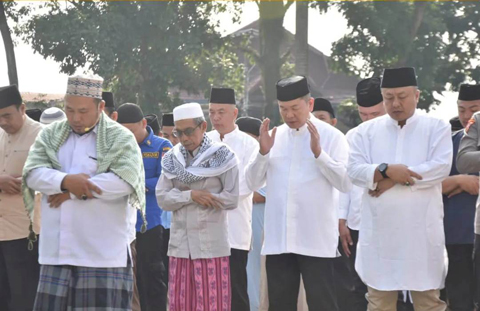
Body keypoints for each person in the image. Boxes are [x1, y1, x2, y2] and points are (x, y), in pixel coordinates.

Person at [23, 74, 146, 311]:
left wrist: (74, 191)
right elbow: (32, 174)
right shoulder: (49, 135)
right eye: (69, 110)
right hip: (57, 253)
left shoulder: (121, 138)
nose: (75, 118)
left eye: (83, 111)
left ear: (100, 107)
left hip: (102, 254)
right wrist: (65, 181)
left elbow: (125, 181)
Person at [348, 67, 452, 311]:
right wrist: (385, 169)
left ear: (416, 95)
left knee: (429, 303)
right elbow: (353, 170)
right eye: (389, 97)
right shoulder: (364, 132)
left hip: (420, 235)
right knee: (379, 303)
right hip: (381, 236)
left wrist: (393, 177)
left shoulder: (436, 127)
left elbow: (440, 167)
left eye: (402, 97)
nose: (395, 103)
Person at [245, 75, 351, 311]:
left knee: (323, 305)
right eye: (284, 109)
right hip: (279, 242)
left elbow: (345, 183)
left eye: (295, 108)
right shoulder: (273, 137)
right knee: (280, 306)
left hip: (316, 240)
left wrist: (319, 154)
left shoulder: (333, 137)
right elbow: (251, 182)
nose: (290, 115)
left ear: (310, 104)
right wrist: (263, 153)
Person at [156, 102, 239, 311]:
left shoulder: (223, 155)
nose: (184, 138)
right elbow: (162, 199)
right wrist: (190, 196)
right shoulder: (171, 158)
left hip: (211, 246)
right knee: (180, 305)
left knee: (214, 304)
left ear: (203, 127)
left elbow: (232, 198)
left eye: (189, 131)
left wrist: (208, 198)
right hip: (181, 247)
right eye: (179, 132)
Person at [208, 87, 259, 311]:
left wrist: (213, 196)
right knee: (207, 293)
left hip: (235, 231)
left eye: (221, 112)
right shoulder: (202, 142)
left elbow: (248, 185)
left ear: (234, 113)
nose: (216, 117)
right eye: (211, 112)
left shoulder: (249, 145)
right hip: (204, 229)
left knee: (235, 292)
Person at [117, 103, 172, 311]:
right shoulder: (116, 148)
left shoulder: (162, 146)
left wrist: (136, 183)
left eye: (131, 131)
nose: (128, 136)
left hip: (149, 223)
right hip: (123, 226)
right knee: (130, 280)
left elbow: (165, 180)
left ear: (144, 124)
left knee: (152, 277)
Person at [338, 77, 386, 311]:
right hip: (357, 224)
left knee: (387, 285)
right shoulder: (352, 136)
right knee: (356, 287)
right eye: (363, 115)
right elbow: (346, 182)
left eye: (374, 115)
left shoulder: (396, 135)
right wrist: (342, 219)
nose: (367, 121)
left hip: (388, 223)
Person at [0, 85, 43, 311]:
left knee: (25, 298)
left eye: (7, 115)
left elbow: (51, 178)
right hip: (0, 232)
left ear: (22, 108)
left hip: (26, 232)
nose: (3, 122)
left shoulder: (41, 135)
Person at [453, 84, 480, 310]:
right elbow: (463, 162)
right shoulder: (450, 141)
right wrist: (459, 182)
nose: (466, 116)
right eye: (462, 109)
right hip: (459, 233)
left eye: (472, 109)